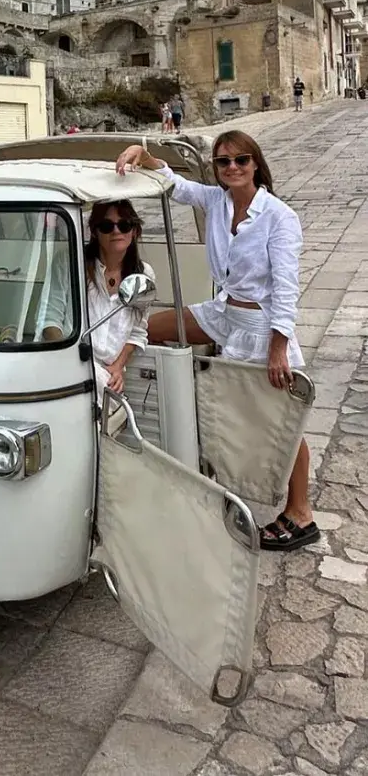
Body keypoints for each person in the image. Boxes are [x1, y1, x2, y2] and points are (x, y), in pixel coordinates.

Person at [116, 132, 317, 551]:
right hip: (224, 313)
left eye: (240, 160)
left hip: (261, 327)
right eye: (223, 162)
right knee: (149, 329)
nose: (231, 168)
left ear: (256, 164)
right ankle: (152, 421)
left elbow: (285, 288)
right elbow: (176, 186)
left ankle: (301, 512)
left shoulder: (279, 217)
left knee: (279, 417)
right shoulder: (217, 201)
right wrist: (145, 157)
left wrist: (278, 347)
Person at [42, 201, 154, 402]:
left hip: (109, 372)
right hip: (72, 362)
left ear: (135, 231)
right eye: (106, 226)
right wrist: (69, 361)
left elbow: (138, 330)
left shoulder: (144, 274)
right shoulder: (69, 263)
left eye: (125, 225)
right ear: (94, 232)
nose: (116, 231)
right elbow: (50, 320)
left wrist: (118, 367)